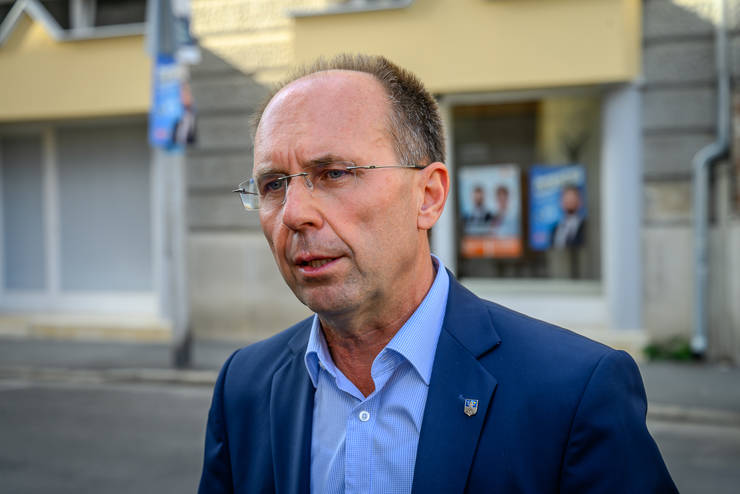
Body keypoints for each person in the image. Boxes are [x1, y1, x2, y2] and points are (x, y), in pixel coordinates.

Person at [199, 54, 677, 494]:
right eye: (273, 184)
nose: (294, 214)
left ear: (428, 196)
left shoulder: (573, 392)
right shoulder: (244, 386)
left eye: (334, 173)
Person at [551, 183, 586, 248]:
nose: (569, 201)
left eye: (572, 198)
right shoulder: (555, 229)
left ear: (579, 201)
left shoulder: (586, 227)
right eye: (566, 198)